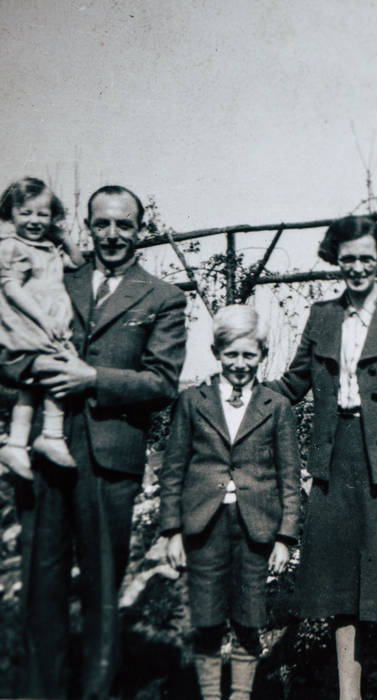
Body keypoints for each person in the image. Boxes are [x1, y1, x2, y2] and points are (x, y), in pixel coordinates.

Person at [0, 184, 187, 700]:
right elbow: (9, 345)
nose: (112, 234)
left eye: (123, 224)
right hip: (46, 453)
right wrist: (28, 368)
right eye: (101, 223)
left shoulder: (162, 297)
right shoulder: (57, 275)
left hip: (110, 461)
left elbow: (162, 382)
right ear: (87, 226)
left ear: (140, 230)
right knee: (42, 587)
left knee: (103, 589)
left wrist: (93, 378)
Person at [267, 216, 377, 700]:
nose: (358, 267)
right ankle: (350, 695)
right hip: (335, 461)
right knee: (342, 590)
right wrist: (237, 395)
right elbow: (293, 383)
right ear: (335, 260)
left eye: (367, 257)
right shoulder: (322, 315)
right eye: (348, 259)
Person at [160, 304, 300, 700]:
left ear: (262, 355)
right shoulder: (193, 401)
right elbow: (173, 469)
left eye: (249, 355)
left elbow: (290, 478)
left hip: (256, 527)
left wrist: (284, 537)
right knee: (206, 620)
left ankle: (240, 694)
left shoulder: (276, 406)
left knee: (248, 619)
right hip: (204, 526)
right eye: (231, 354)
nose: (240, 363)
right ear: (216, 353)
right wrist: (172, 531)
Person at [0, 177, 85, 478]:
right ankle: (50, 434)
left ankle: (18, 443)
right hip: (30, 324)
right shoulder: (13, 247)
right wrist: (42, 319)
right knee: (57, 370)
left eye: (42, 214)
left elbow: (78, 263)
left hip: (51, 326)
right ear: (11, 214)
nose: (34, 220)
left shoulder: (48, 247)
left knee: (33, 385)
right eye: (26, 213)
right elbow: (11, 288)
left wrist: (63, 236)